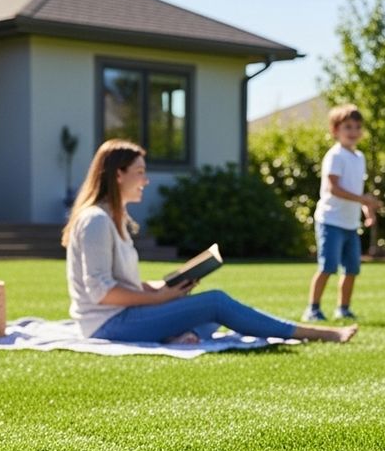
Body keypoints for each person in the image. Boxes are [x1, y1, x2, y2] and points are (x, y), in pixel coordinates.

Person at [63, 139, 357, 345]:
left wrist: (166, 287)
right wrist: (158, 299)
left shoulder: (115, 219)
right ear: (118, 174)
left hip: (124, 316)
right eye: (140, 172)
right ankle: (314, 333)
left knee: (214, 314)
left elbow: (121, 282)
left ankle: (173, 334)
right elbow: (101, 291)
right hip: (107, 324)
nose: (146, 180)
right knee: (216, 303)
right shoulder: (96, 221)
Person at [304, 104, 382, 322]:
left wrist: (367, 211)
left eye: (357, 126)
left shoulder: (359, 157)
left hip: (350, 223)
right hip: (330, 221)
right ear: (335, 130)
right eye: (348, 126)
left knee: (352, 269)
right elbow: (334, 188)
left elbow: (357, 190)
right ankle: (313, 309)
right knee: (328, 266)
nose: (353, 131)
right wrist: (363, 200)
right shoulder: (335, 156)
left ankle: (344, 308)